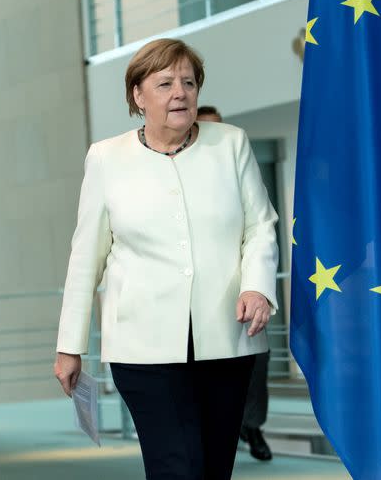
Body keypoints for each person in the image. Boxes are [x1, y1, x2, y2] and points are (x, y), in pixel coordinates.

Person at [54, 38, 278, 480]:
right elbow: (86, 256)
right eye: (165, 83)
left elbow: (260, 226)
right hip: (143, 347)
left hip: (227, 342)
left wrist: (257, 285)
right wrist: (69, 345)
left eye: (189, 82)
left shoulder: (231, 143)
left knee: (214, 469)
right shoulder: (106, 157)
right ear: (138, 95)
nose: (180, 92)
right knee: (177, 467)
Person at [195, 105, 273, 462]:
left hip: (246, 305)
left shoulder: (239, 167)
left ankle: (253, 428)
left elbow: (260, 227)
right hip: (201, 314)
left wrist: (257, 285)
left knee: (253, 376)